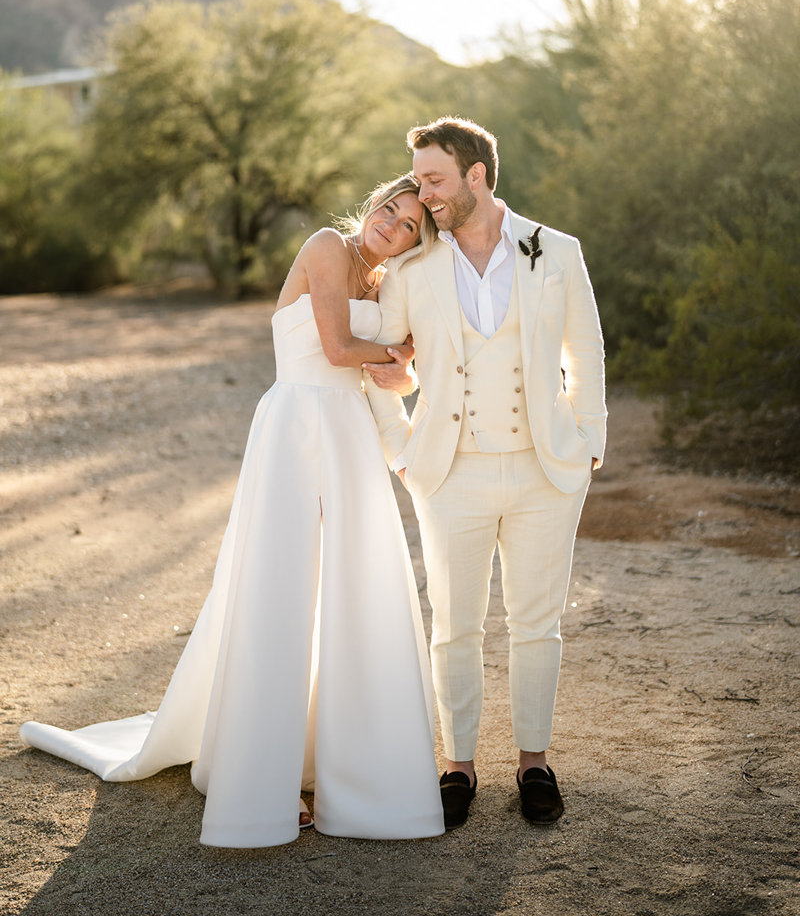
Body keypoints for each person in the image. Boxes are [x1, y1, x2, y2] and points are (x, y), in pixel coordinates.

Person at [20, 176, 445, 847]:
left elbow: (406, 373)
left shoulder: (388, 283)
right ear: (373, 205)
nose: (390, 225)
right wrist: (400, 354)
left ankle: (349, 769)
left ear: (418, 241)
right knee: (279, 594)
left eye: (408, 225)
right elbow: (338, 351)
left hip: (351, 436)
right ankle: (263, 779)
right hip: (297, 427)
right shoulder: (329, 246)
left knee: (352, 595)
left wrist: (407, 366)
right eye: (388, 209)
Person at [364, 118, 606, 830]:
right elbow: (378, 371)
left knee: (537, 623)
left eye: (434, 178)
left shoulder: (557, 252)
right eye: (418, 177)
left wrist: (589, 440)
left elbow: (585, 350)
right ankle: (457, 766)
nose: (422, 191)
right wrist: (402, 456)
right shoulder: (412, 270)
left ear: (476, 175)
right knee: (454, 625)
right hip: (449, 471)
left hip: (545, 468)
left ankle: (534, 762)